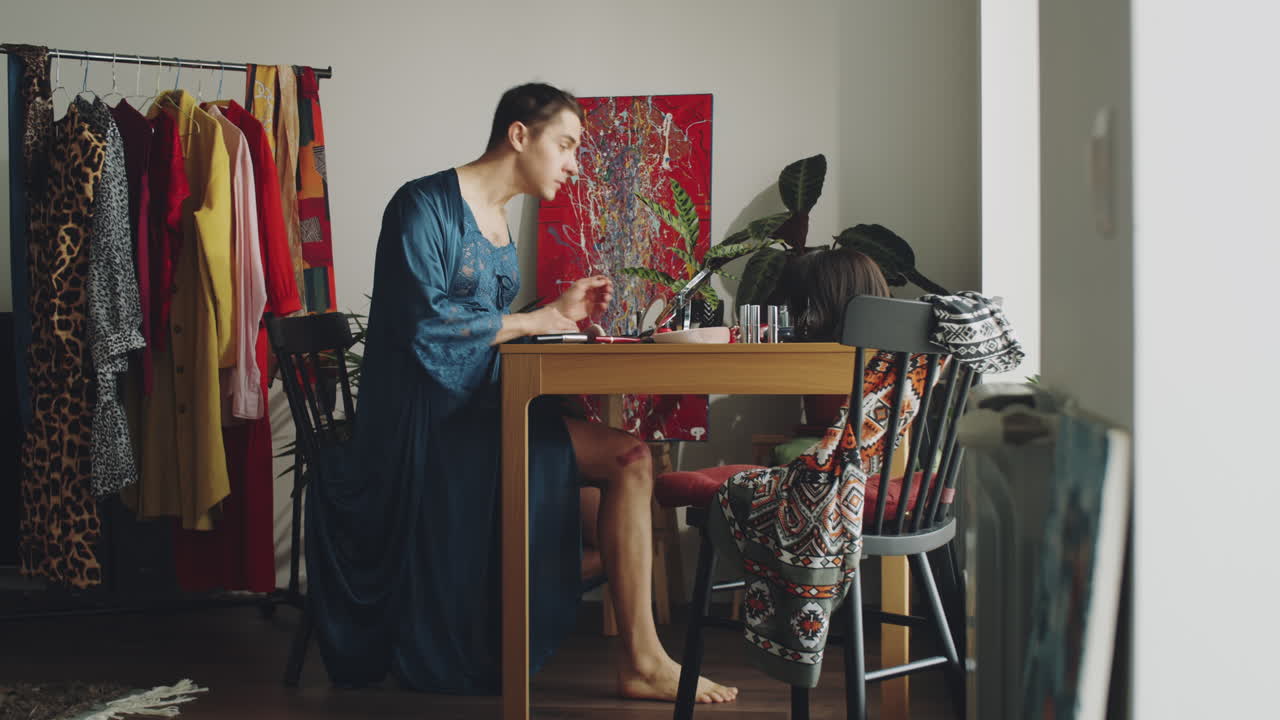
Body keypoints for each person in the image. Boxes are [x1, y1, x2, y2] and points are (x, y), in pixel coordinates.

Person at [304, 83, 737, 704]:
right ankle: (637, 657)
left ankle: (637, 653)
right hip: (430, 428)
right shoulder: (422, 205)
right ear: (518, 136)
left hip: (484, 411)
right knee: (629, 464)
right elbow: (425, 328)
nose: (573, 163)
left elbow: (485, 328)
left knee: (631, 466)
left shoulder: (500, 221)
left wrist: (558, 316)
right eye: (565, 145)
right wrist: (540, 321)